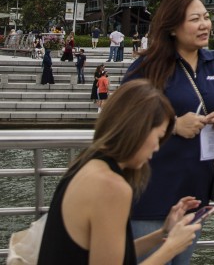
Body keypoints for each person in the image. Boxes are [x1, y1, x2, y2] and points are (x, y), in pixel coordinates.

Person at [37, 79, 202, 264]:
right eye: (158, 137)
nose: (157, 148)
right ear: (137, 129)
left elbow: (113, 254)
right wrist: (172, 248)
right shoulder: (112, 187)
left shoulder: (87, 163)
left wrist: (163, 234)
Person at [124, 0, 214, 265]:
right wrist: (172, 125)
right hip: (152, 189)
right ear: (172, 27)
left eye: (206, 17)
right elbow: (122, 119)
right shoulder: (147, 66)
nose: (204, 25)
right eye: (194, 19)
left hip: (195, 192)